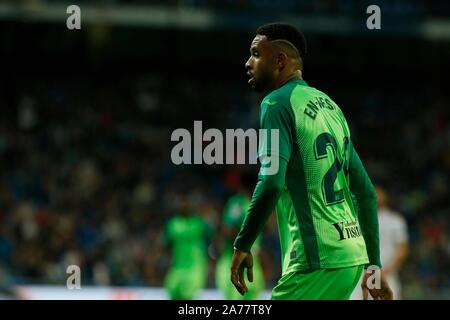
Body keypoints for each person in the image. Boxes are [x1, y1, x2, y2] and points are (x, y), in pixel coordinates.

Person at [230, 22, 393, 300]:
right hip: (350, 256)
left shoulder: (276, 104)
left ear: (280, 60)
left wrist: (243, 244)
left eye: (256, 53)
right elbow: (364, 191)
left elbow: (270, 182)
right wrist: (373, 266)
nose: (248, 63)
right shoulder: (330, 107)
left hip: (316, 260)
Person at [351, 184, 409, 300]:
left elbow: (403, 250)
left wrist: (384, 271)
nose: (376, 195)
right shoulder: (355, 218)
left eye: (378, 192)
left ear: (385, 195)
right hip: (360, 276)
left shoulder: (395, 220)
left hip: (386, 276)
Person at [215, 173, 265, 300]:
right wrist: (244, 247)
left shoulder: (256, 205)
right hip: (234, 262)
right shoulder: (237, 203)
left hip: (252, 264)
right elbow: (229, 230)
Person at [163, 196, 211, 300]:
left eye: (187, 203)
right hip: (177, 267)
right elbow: (166, 245)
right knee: (172, 293)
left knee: (187, 297)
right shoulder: (173, 224)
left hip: (195, 267)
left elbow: (211, 240)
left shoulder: (199, 223)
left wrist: (209, 260)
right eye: (182, 203)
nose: (184, 206)